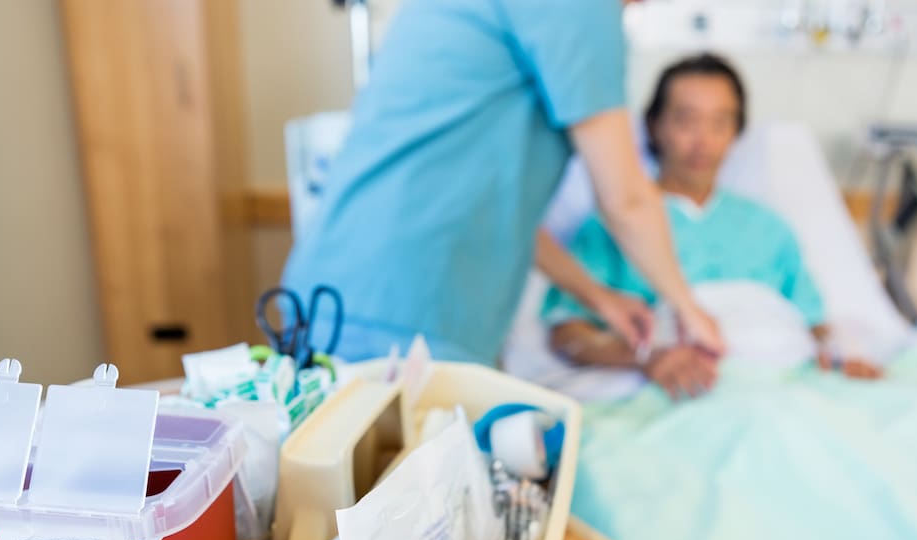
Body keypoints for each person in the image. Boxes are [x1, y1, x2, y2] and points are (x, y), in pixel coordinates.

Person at [281, 0, 722, 367]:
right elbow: (625, 199)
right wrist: (689, 311)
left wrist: (598, 298)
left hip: (352, 296)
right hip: (396, 314)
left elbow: (490, 207)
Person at [539, 52, 882, 399]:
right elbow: (569, 334)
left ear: (737, 132)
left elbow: (813, 325)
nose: (703, 140)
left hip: (782, 384)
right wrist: (648, 358)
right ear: (654, 126)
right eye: (686, 121)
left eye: (720, 123)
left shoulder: (769, 228)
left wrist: (841, 356)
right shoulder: (612, 225)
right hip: (680, 388)